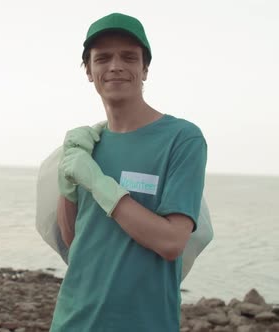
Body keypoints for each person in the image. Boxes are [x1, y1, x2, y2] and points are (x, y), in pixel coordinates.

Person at [50, 13, 207, 331]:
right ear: (90, 72)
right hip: (73, 320)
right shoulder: (85, 146)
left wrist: (97, 182)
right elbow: (74, 242)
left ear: (144, 69)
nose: (115, 66)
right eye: (102, 58)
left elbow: (171, 242)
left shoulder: (181, 138)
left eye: (128, 57)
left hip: (144, 322)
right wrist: (67, 185)